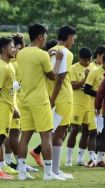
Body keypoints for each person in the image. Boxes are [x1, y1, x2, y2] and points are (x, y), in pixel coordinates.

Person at [16, 23, 63, 180]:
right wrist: (57, 60)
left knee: (25, 136)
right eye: (45, 38)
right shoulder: (42, 55)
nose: (45, 41)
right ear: (40, 37)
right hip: (40, 100)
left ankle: (22, 172)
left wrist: (48, 55)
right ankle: (48, 173)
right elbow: (53, 75)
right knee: (46, 136)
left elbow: (34, 66)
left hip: (24, 100)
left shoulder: (21, 53)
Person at [3, 34, 39, 173]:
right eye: (14, 48)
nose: (17, 51)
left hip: (14, 101)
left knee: (9, 133)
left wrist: (23, 42)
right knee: (12, 134)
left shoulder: (14, 63)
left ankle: (9, 162)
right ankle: (17, 163)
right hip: (13, 102)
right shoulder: (11, 64)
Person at [48, 25, 76, 179]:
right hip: (62, 97)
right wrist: (53, 99)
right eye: (73, 38)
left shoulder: (51, 50)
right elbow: (60, 79)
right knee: (59, 133)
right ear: (69, 37)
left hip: (54, 96)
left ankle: (55, 169)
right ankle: (54, 170)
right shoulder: (67, 53)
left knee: (58, 132)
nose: (74, 41)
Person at [29, 39, 58, 168]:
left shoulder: (43, 57)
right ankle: (50, 168)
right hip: (48, 99)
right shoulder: (47, 60)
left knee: (53, 132)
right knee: (50, 132)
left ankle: (36, 152)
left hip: (48, 98)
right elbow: (54, 76)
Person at [65, 47, 97, 167]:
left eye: (89, 60)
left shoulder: (94, 68)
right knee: (74, 130)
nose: (87, 62)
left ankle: (79, 158)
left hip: (89, 104)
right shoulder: (73, 68)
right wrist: (85, 79)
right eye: (85, 60)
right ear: (80, 58)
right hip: (77, 103)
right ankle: (68, 159)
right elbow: (73, 86)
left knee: (86, 132)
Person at [84, 50, 105, 167]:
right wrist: (100, 94)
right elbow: (86, 89)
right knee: (93, 133)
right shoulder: (95, 72)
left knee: (104, 134)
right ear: (103, 61)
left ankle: (100, 159)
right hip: (93, 107)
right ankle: (91, 159)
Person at [0, 37, 17, 180]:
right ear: (4, 49)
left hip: (8, 108)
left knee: (2, 138)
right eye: (12, 47)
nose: (15, 49)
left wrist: (14, 107)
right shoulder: (2, 66)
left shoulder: (9, 65)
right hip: (2, 108)